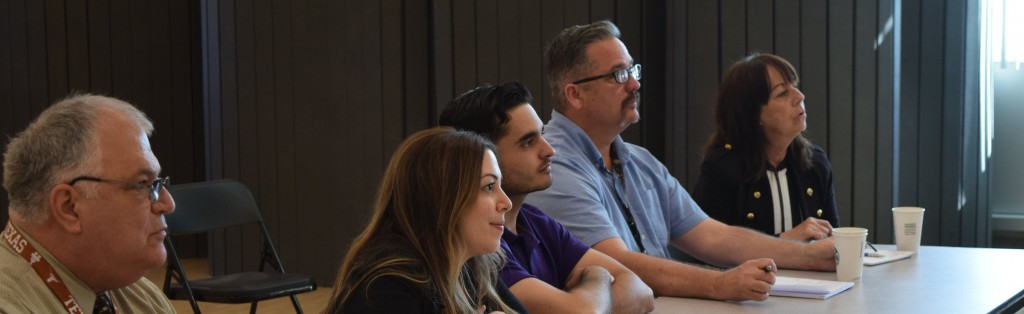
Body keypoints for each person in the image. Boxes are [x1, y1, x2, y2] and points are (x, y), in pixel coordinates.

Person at [525, 20, 836, 302]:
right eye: (618, 75)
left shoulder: (640, 162)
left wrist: (809, 256)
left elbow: (713, 235)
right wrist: (720, 283)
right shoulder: (553, 163)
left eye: (633, 71)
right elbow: (615, 263)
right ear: (575, 95)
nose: (635, 84)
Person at [440, 82, 654, 313]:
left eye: (541, 135)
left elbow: (641, 291)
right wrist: (598, 276)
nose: (549, 150)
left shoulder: (534, 220)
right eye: (528, 142)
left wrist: (588, 301)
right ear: (483, 154)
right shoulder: (481, 243)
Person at [1, 94, 176, 312]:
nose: (167, 204)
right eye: (142, 184)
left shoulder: (140, 296)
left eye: (157, 182)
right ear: (69, 208)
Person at [324, 127, 526, 313]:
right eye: (489, 187)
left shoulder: (472, 265)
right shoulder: (387, 287)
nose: (506, 203)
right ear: (442, 198)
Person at [693, 53, 839, 242]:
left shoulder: (815, 163)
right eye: (782, 93)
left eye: (795, 87)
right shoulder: (723, 168)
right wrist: (784, 242)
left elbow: (834, 241)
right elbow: (703, 250)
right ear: (753, 114)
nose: (799, 96)